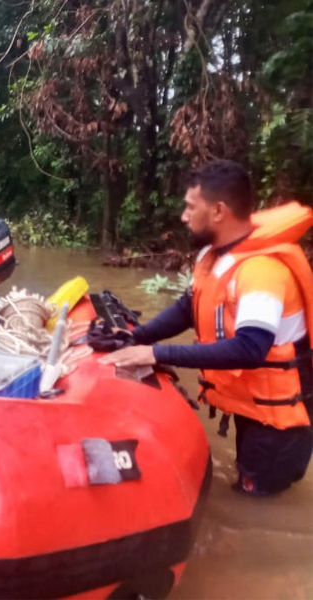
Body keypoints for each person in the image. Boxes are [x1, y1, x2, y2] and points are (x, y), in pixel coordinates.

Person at [100, 159, 313, 496]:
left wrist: (154, 352)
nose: (184, 216)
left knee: (257, 502)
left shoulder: (262, 272)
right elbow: (189, 308)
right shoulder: (213, 257)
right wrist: (138, 336)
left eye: (189, 207)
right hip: (253, 404)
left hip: (279, 420)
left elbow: (250, 349)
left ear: (218, 211)